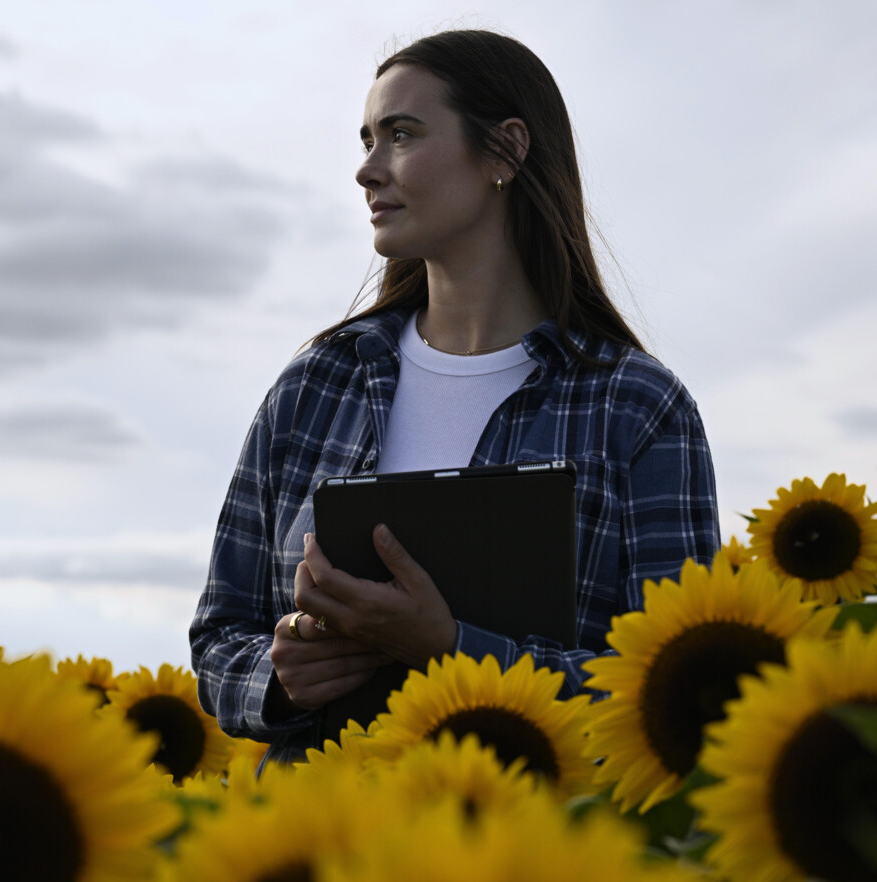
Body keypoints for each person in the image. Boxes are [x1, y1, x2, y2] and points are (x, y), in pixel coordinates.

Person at [189, 30, 719, 764]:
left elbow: (676, 688)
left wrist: (450, 649)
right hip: (322, 848)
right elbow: (220, 636)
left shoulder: (636, 408)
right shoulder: (313, 388)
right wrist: (281, 677)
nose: (366, 170)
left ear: (504, 151)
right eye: (368, 139)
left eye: (401, 136)